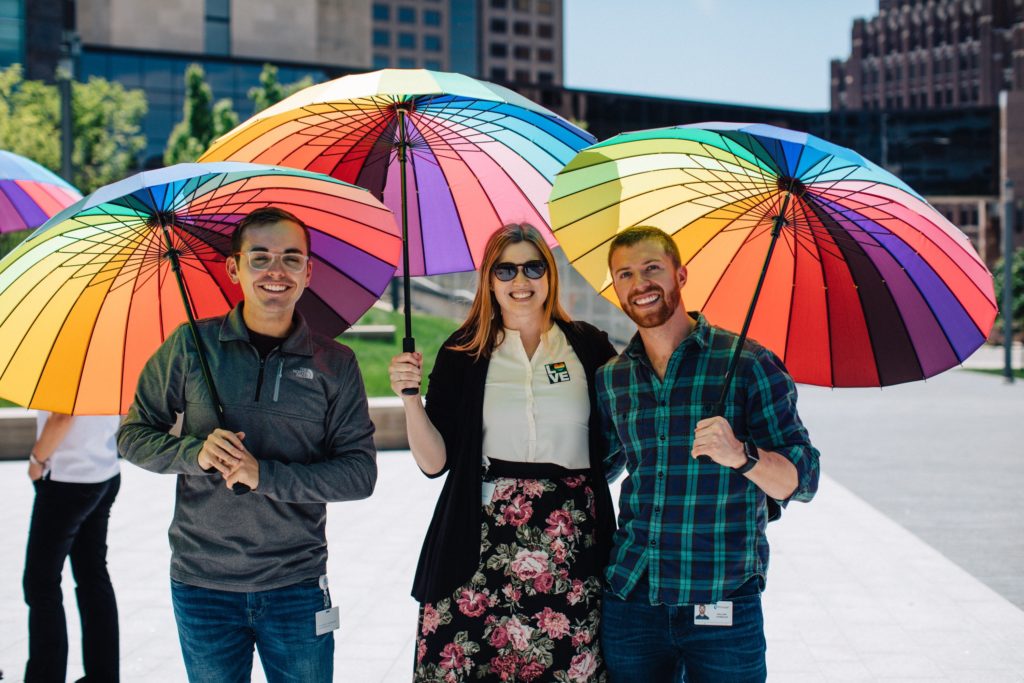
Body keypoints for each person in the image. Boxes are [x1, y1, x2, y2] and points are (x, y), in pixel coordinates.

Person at [117, 206, 377, 682]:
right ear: (234, 268)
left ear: (308, 272)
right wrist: (194, 453)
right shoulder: (191, 346)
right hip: (201, 585)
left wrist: (266, 476)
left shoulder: (336, 365)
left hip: (296, 585)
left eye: (291, 259)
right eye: (260, 258)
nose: (276, 271)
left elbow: (359, 475)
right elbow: (132, 436)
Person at [389, 223, 618, 682]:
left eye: (534, 267)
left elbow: (616, 437)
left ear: (550, 276)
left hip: (570, 542)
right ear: (489, 281)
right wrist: (410, 399)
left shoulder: (588, 346)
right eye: (505, 269)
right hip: (479, 541)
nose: (521, 281)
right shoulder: (463, 352)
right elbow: (435, 464)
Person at [595, 226, 821, 683]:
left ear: (680, 274)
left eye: (652, 268)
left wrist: (742, 455)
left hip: (721, 601)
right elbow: (599, 467)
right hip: (633, 599)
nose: (640, 283)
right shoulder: (612, 378)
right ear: (615, 287)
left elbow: (804, 479)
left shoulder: (748, 364)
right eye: (625, 274)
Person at [23, 411, 121, 682]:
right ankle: (104, 677)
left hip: (67, 480)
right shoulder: (108, 366)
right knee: (93, 577)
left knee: (40, 584)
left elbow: (62, 417)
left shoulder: (65, 366)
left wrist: (36, 460)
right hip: (104, 471)